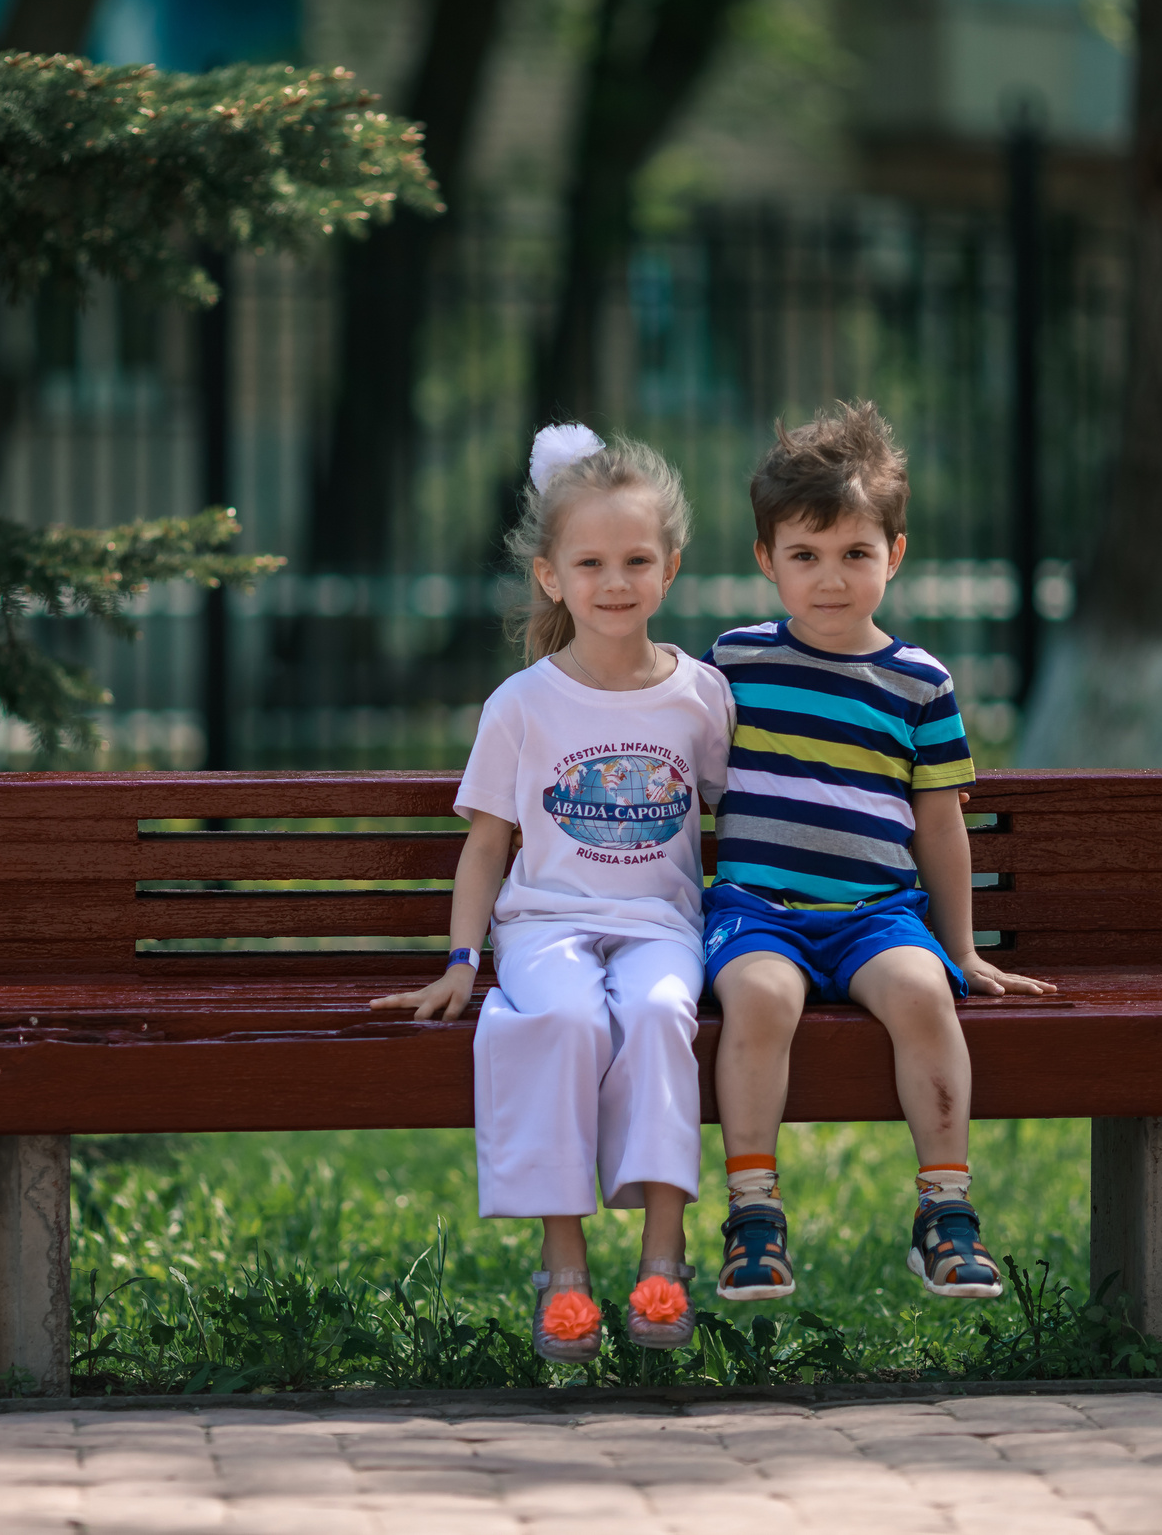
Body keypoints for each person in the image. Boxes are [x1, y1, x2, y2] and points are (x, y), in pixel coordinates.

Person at [371, 423, 732, 1363]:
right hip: (546, 926)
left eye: (637, 559)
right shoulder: (521, 704)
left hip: (661, 925)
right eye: (592, 561)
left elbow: (737, 826)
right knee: (561, 1021)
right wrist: (461, 960)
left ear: (671, 567)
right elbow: (486, 848)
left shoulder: (702, 697)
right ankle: (562, 1264)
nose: (616, 581)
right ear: (551, 576)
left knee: (659, 1016)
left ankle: (664, 1258)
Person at [700, 400, 1056, 1306]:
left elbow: (940, 823)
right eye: (805, 555)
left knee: (923, 993)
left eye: (855, 553)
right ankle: (753, 1213)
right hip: (757, 911)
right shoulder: (731, 666)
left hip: (876, 914)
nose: (830, 579)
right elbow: (682, 775)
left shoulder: (919, 683)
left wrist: (965, 949)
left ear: (894, 555)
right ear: (765, 559)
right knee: (760, 996)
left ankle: (945, 1209)